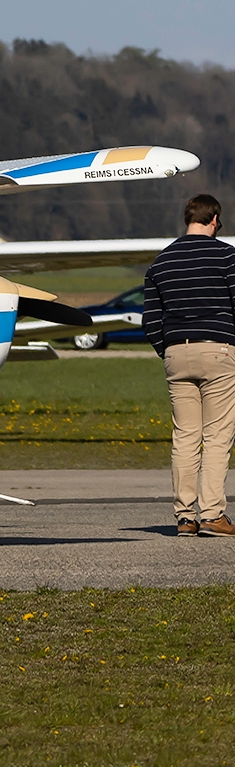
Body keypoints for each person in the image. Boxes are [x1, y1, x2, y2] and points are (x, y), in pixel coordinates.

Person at [143, 193, 235, 537]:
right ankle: (212, 514)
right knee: (217, 436)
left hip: (176, 353)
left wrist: (166, 349)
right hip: (219, 351)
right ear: (215, 220)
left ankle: (185, 517)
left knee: (184, 436)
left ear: (188, 219)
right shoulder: (228, 257)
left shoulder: (162, 262)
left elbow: (150, 319)